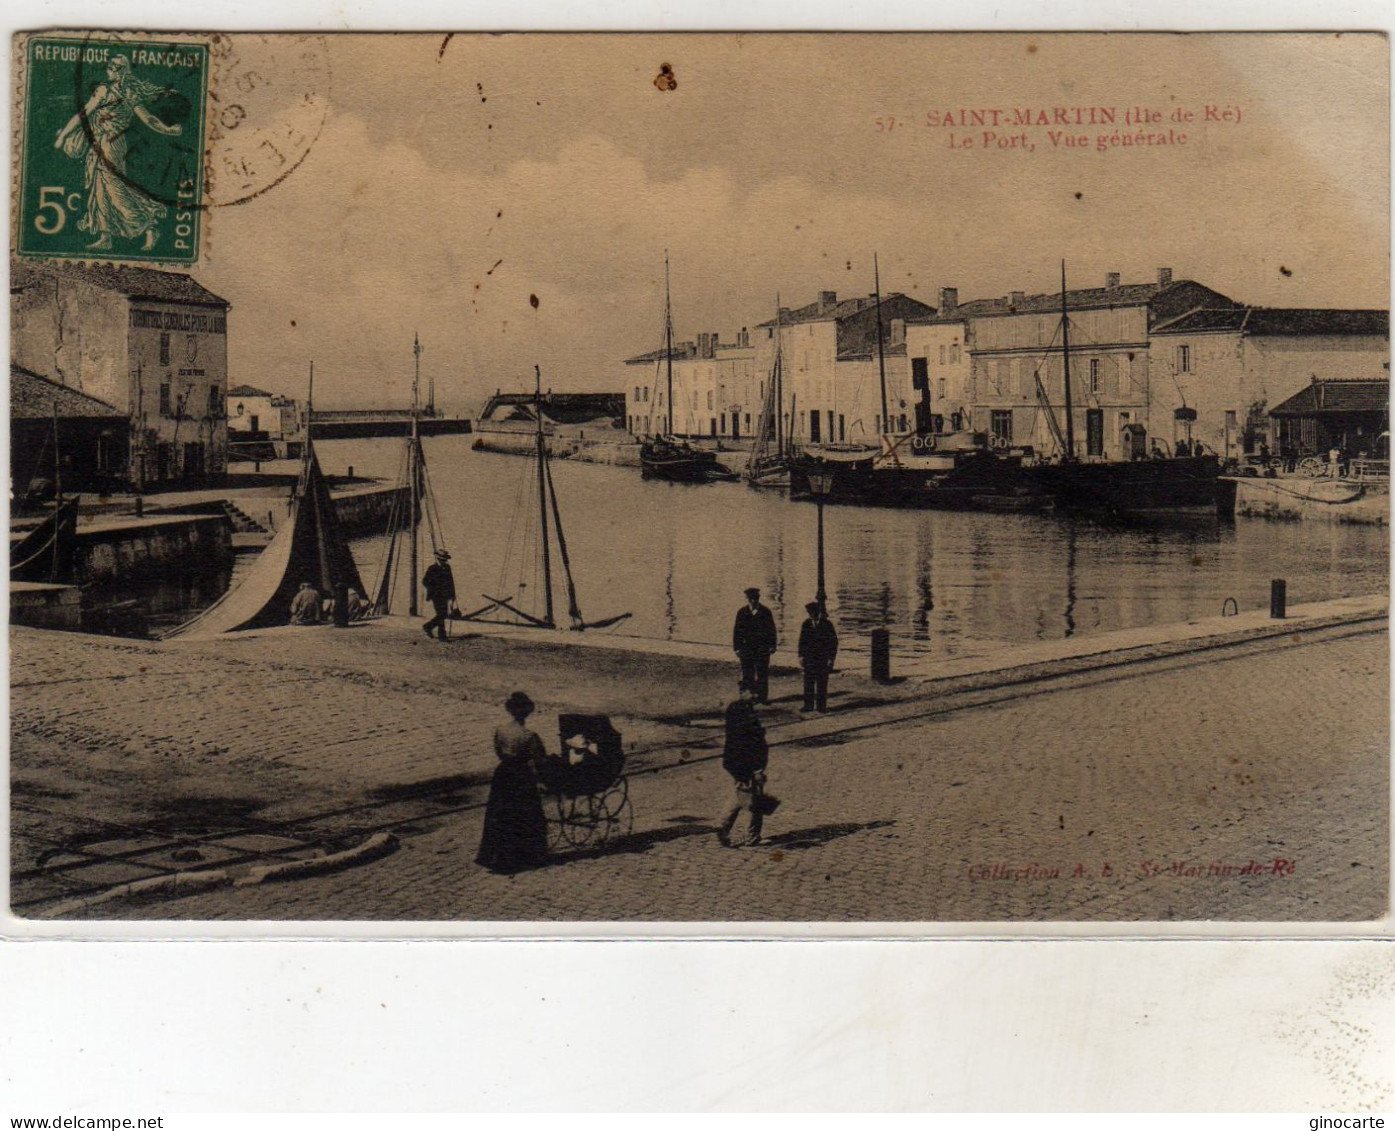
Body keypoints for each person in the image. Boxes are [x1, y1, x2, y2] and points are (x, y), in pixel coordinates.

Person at [53, 56, 183, 252]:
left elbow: (148, 119)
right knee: (99, 189)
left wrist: (168, 130)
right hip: (99, 142)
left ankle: (148, 227)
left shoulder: (125, 93)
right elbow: (84, 113)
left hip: (112, 145)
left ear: (124, 71)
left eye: (116, 67)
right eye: (110, 65)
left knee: (115, 189)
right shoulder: (105, 90)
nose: (111, 69)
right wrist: (63, 135)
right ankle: (105, 237)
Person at [476, 691, 550, 874]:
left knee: (500, 815)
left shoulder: (500, 730)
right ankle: (526, 856)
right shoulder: (530, 736)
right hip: (521, 776)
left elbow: (498, 751)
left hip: (502, 775)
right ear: (527, 712)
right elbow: (540, 761)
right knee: (527, 815)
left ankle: (496, 856)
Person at [717, 687, 771, 847]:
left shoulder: (738, 709)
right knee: (753, 798)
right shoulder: (743, 713)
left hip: (737, 763)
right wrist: (756, 769)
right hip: (746, 764)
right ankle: (748, 835)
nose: (755, 695)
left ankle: (726, 828)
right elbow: (750, 744)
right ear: (742, 692)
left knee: (744, 794)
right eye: (752, 692)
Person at [732, 587, 777, 704]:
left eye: (755, 598)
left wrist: (772, 645)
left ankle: (762, 697)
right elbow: (737, 631)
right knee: (748, 672)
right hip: (746, 648)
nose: (753, 601)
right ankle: (751, 695)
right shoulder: (742, 612)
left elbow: (771, 630)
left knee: (762, 672)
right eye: (750, 598)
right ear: (747, 599)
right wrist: (737, 648)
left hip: (762, 648)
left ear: (758, 598)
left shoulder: (765, 612)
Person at [798, 600, 839, 713]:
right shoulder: (806, 624)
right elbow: (802, 642)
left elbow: (833, 643)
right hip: (809, 659)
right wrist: (801, 656)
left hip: (822, 659)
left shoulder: (827, 625)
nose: (813, 615)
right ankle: (808, 705)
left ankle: (821, 707)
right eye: (810, 613)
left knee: (822, 683)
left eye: (815, 613)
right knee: (808, 683)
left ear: (818, 612)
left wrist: (831, 658)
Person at [421, 548, 457, 640]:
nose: (444, 561)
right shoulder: (432, 568)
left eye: (445, 560)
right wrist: (433, 589)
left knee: (442, 614)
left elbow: (450, 582)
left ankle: (435, 631)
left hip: (445, 595)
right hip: (436, 595)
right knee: (442, 614)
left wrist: (452, 595)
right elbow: (425, 581)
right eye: (442, 560)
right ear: (437, 559)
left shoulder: (447, 568)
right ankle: (435, 631)